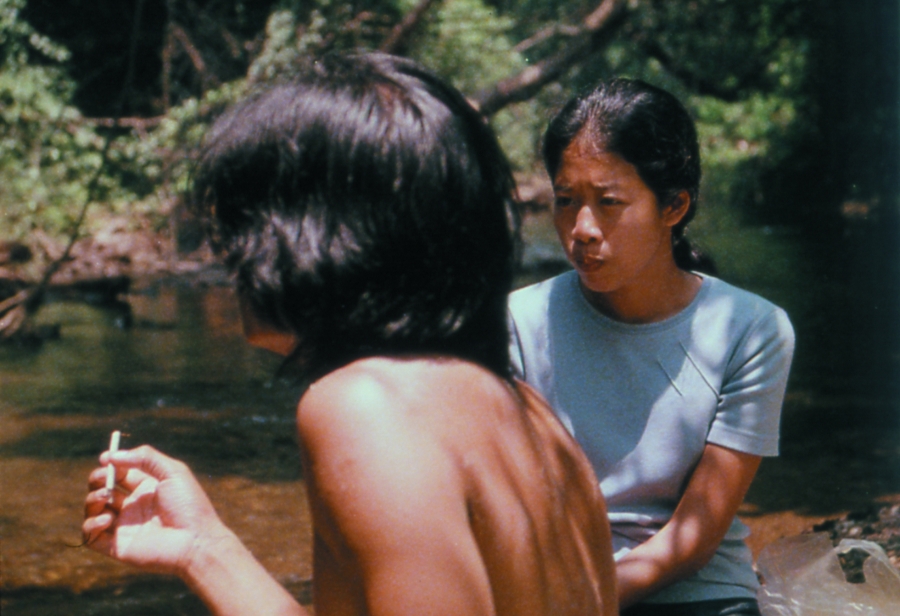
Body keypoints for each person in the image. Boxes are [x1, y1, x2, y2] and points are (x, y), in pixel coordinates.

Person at [82, 52, 618, 616]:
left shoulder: (366, 407)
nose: (227, 254)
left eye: (243, 224)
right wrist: (203, 549)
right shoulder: (531, 416)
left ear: (312, 236)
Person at [507, 78, 795, 616]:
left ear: (674, 206)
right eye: (566, 201)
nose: (582, 228)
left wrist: (578, 604)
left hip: (699, 595)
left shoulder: (752, 329)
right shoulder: (518, 323)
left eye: (608, 202)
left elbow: (693, 538)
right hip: (559, 583)